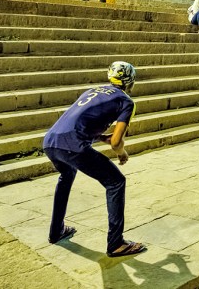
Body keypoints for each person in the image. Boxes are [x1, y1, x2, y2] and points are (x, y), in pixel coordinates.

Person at [43, 61, 147, 258]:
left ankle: (56, 231)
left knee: (66, 175)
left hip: (51, 140)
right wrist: (121, 152)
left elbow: (79, 121)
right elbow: (117, 142)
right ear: (130, 81)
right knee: (116, 182)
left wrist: (102, 138)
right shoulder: (126, 101)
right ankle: (116, 244)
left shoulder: (93, 90)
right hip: (72, 145)